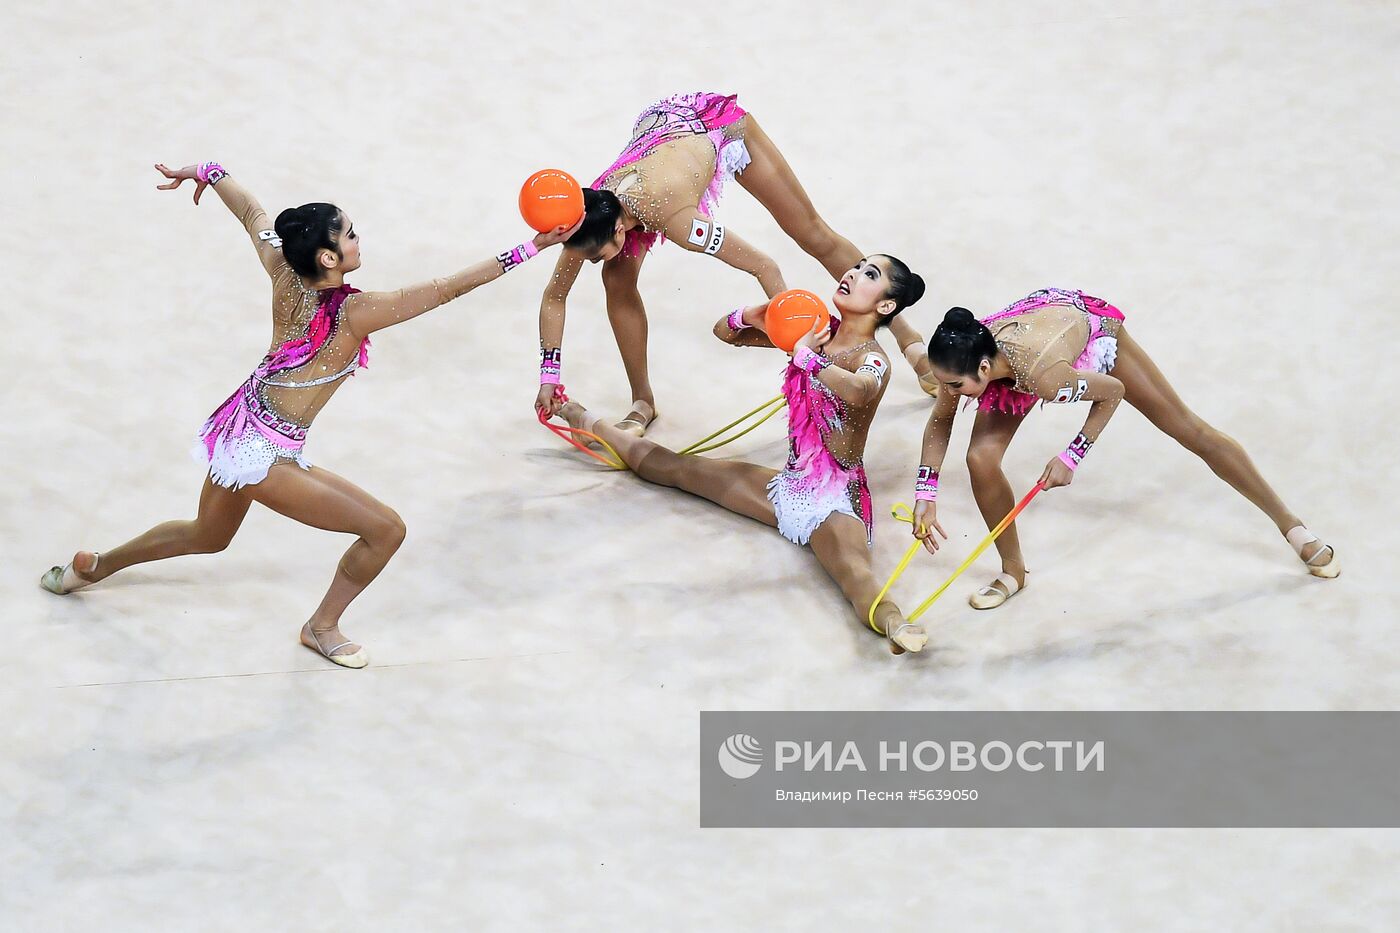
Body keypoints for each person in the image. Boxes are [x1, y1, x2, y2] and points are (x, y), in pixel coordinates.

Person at [39, 162, 578, 668]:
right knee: (386, 531)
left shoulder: (283, 271)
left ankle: (94, 567)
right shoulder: (354, 313)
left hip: (241, 426)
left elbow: (252, 213)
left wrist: (209, 171)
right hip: (265, 452)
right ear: (327, 257)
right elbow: (444, 290)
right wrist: (529, 248)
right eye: (349, 235)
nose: (357, 239)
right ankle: (322, 626)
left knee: (207, 534)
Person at [553, 255, 931, 653]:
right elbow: (725, 333)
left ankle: (897, 626)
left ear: (885, 306)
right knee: (677, 468)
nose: (852, 273)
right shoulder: (816, 331)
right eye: (856, 266)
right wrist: (756, 313)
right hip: (788, 484)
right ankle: (581, 415)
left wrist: (804, 355)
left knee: (854, 573)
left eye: (869, 275)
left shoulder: (872, 358)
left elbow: (858, 390)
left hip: (836, 499)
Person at [911, 288, 1340, 610]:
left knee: (1189, 430)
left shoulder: (1045, 375)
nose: (948, 394)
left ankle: (1293, 527)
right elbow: (941, 420)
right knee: (980, 458)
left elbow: (1112, 392)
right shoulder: (966, 360)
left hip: (1085, 332)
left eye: (953, 385)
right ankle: (1013, 571)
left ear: (982, 368)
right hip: (1021, 344)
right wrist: (925, 496)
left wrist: (1071, 456)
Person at [534, 92, 934, 436]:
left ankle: (908, 337)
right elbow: (555, 297)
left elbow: (764, 266)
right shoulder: (587, 216)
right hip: (657, 144)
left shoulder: (680, 222)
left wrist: (802, 349)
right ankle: (643, 402)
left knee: (810, 231)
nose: (586, 261)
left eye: (595, 253)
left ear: (620, 232)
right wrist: (549, 376)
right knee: (615, 277)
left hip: (714, 125)